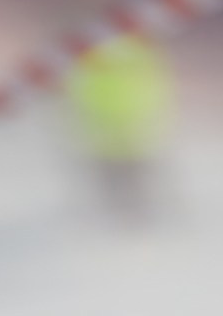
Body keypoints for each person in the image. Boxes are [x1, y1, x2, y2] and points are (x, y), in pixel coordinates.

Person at [65, 34, 173, 220]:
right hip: (117, 136)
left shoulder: (95, 54)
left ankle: (136, 219)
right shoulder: (137, 51)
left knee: (132, 183)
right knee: (124, 184)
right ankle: (128, 219)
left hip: (125, 135)